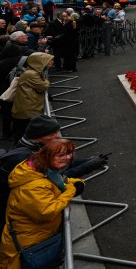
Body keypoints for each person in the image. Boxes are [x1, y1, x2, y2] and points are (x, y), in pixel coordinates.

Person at [0, 138, 85, 269]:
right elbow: (47, 212)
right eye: (61, 155)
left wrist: (75, 183)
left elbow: (59, 182)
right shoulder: (32, 186)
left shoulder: (38, 168)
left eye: (70, 153)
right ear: (46, 155)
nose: (67, 158)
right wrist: (71, 190)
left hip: (38, 240)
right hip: (27, 248)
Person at [0, 115, 107, 214]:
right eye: (52, 134)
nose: (57, 136)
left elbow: (57, 169)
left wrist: (87, 161)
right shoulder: (27, 159)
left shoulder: (32, 146)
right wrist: (88, 167)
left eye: (57, 132)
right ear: (39, 136)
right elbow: (56, 179)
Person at [10, 53, 53, 143]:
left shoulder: (31, 72)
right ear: (39, 62)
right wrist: (46, 81)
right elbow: (44, 86)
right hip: (28, 109)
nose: (51, 62)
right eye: (48, 61)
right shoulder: (31, 74)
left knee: (23, 132)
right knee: (24, 133)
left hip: (27, 108)